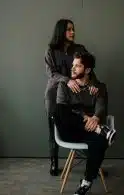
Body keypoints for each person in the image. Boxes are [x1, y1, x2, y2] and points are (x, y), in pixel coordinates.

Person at [44, 19, 100, 176]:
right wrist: (67, 80)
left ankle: (93, 160)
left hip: (78, 93)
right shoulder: (51, 51)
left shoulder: (79, 48)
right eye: (69, 29)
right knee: (53, 127)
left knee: (82, 120)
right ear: (61, 31)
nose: (72, 32)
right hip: (54, 93)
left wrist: (93, 84)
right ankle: (54, 162)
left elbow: (90, 69)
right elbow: (51, 74)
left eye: (73, 29)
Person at [54, 51, 109, 195]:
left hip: (88, 132)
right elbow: (62, 113)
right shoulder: (64, 86)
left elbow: (101, 106)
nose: (72, 68)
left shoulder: (98, 87)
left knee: (101, 142)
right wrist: (85, 117)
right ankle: (100, 130)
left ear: (88, 70)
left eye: (77, 66)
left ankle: (86, 183)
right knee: (58, 109)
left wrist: (96, 118)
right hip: (70, 130)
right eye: (73, 65)